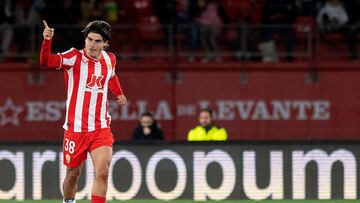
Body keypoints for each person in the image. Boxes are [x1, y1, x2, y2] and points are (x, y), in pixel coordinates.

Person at [40, 20, 127, 203]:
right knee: (73, 174)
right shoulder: (74, 57)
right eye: (89, 39)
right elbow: (46, 61)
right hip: (75, 129)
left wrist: (118, 93)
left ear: (105, 44)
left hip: (100, 128)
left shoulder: (109, 59)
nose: (92, 44)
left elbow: (111, 76)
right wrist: (47, 41)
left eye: (97, 41)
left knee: (102, 172)